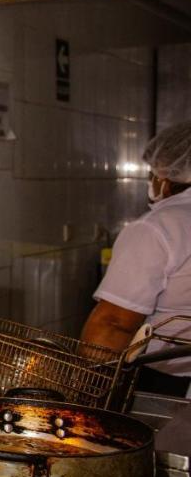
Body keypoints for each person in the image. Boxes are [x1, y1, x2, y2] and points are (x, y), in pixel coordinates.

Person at [82, 120, 191, 397]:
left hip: (169, 382)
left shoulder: (158, 227)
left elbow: (115, 322)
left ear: (166, 176)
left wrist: (87, 390)